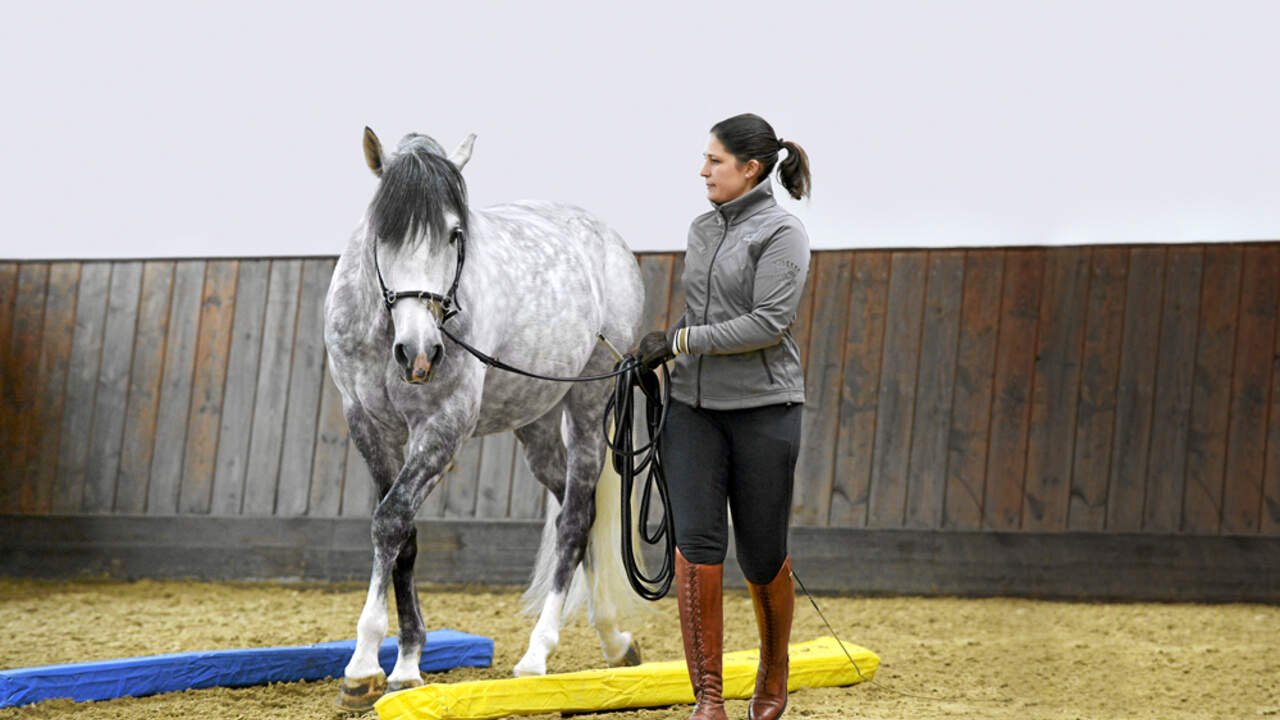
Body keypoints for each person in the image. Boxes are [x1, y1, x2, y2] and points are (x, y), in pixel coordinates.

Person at [633, 113, 812, 720]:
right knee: (698, 547)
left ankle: (774, 667)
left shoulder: (784, 234)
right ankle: (709, 696)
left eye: (714, 160)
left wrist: (680, 342)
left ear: (751, 169)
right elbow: (702, 314)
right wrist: (660, 355)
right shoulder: (702, 230)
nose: (703, 170)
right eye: (705, 159)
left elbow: (768, 323)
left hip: (765, 410)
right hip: (693, 411)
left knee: (761, 556)